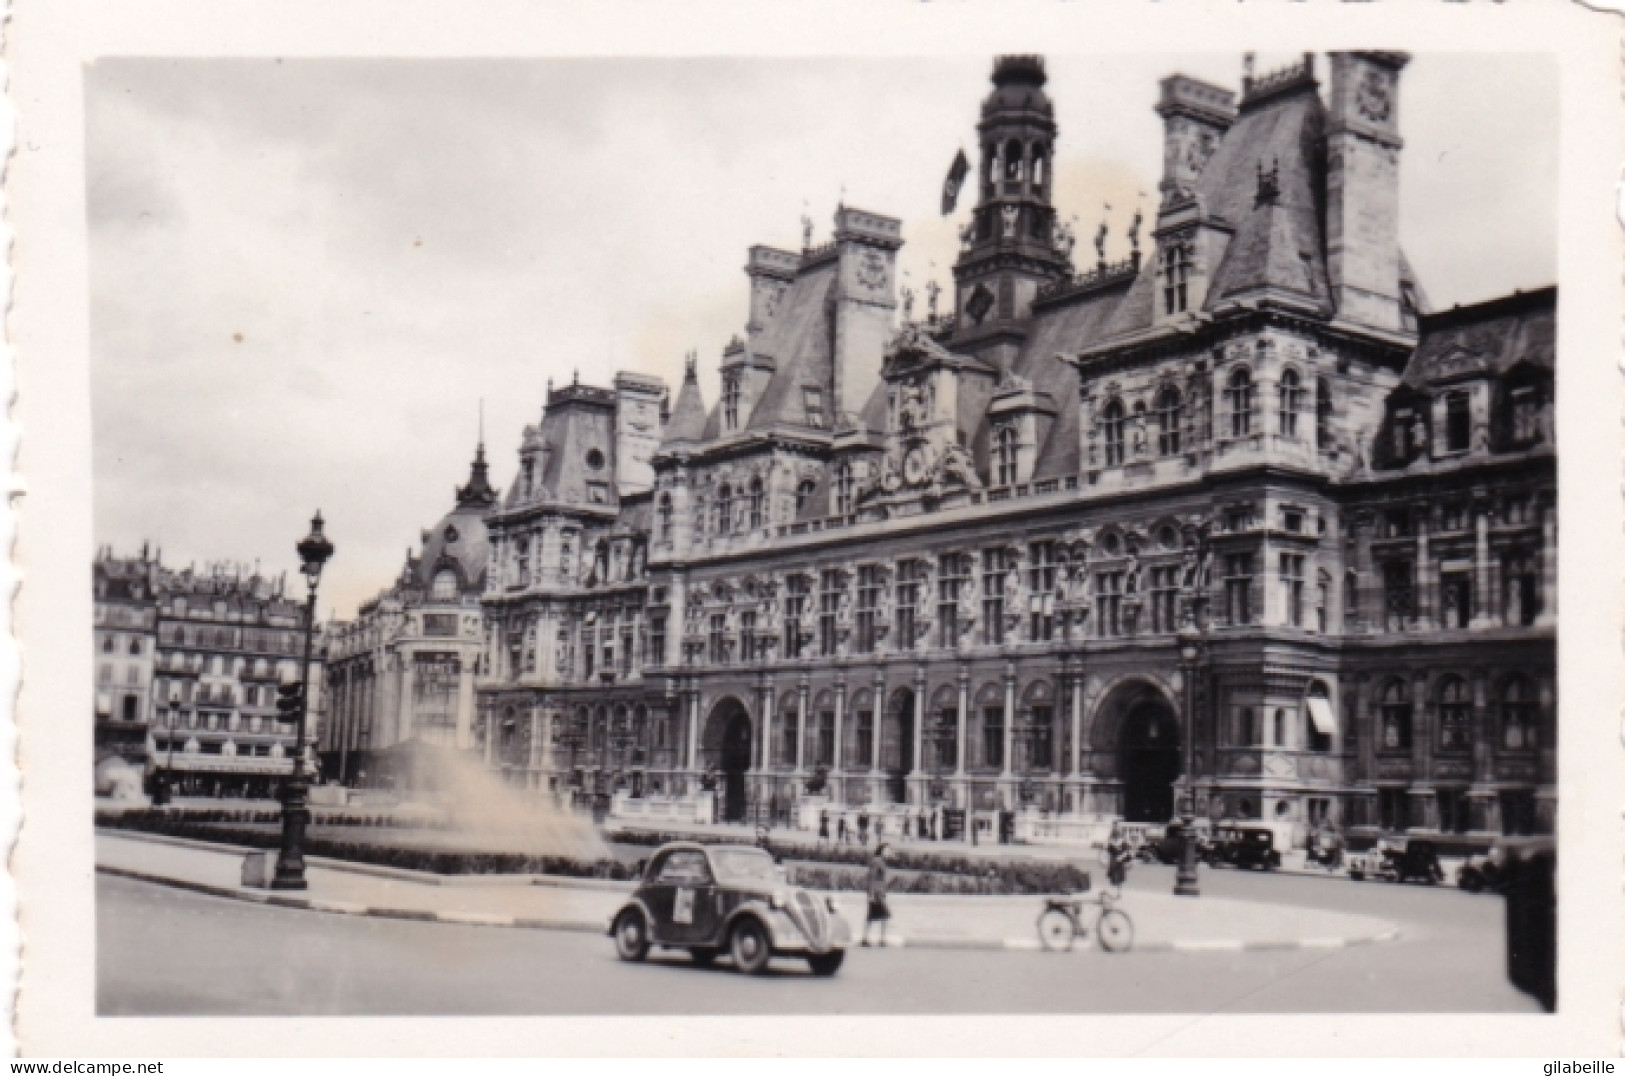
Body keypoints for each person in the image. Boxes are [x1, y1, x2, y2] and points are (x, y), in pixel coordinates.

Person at [861, 842, 892, 947]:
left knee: (872, 916)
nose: (889, 852)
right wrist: (872, 894)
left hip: (879, 893)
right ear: (881, 850)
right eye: (887, 850)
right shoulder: (877, 861)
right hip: (876, 894)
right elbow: (872, 877)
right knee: (885, 915)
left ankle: (866, 938)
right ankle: (881, 939)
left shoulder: (880, 861)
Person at [1105, 823, 1132, 890]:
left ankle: (1118, 890)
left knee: (1120, 876)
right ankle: (1116, 890)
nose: (1116, 829)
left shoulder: (1123, 840)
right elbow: (1108, 849)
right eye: (1114, 828)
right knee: (1114, 876)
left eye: (1117, 828)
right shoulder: (1110, 839)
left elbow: (1127, 850)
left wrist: (1122, 857)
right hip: (1113, 860)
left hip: (1120, 859)